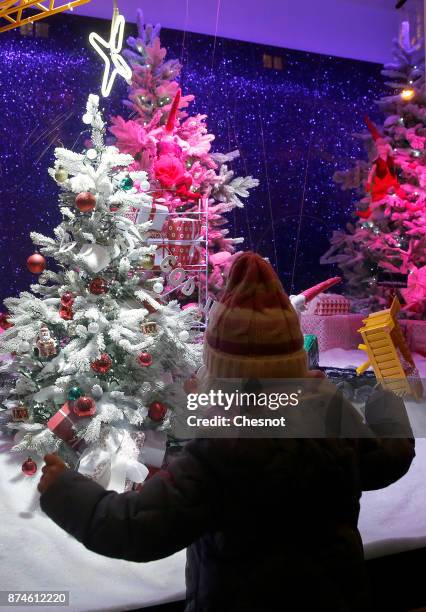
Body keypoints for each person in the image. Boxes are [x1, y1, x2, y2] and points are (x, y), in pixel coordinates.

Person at [39, 252, 415, 612]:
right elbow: (387, 458)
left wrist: (62, 488)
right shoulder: (330, 410)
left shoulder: (221, 450)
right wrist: (387, 403)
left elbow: (136, 528)